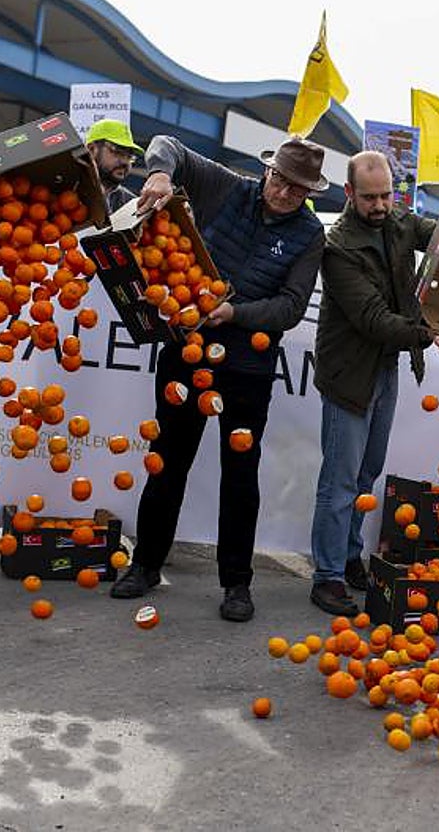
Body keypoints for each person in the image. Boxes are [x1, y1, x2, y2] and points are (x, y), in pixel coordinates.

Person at [110, 136, 326, 622]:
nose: (285, 193)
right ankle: (145, 564)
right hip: (185, 353)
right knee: (167, 461)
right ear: (267, 170)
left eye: (298, 188)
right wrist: (161, 174)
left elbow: (290, 308)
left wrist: (234, 312)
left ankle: (236, 584)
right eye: (281, 180)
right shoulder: (230, 188)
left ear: (310, 193)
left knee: (240, 476)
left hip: (247, 369)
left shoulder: (310, 234)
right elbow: (168, 144)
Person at [308, 151, 439, 616]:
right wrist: (432, 334)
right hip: (349, 372)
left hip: (385, 367)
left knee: (367, 473)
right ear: (349, 194)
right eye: (370, 198)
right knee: (340, 480)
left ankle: (348, 559)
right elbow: (373, 319)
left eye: (385, 195)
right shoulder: (339, 245)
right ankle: (326, 576)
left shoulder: (399, 220)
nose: (380, 205)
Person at [84, 118, 145, 214]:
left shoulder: (131, 205)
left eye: (130, 156)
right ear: (91, 150)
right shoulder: (67, 192)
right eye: (118, 152)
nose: (125, 162)